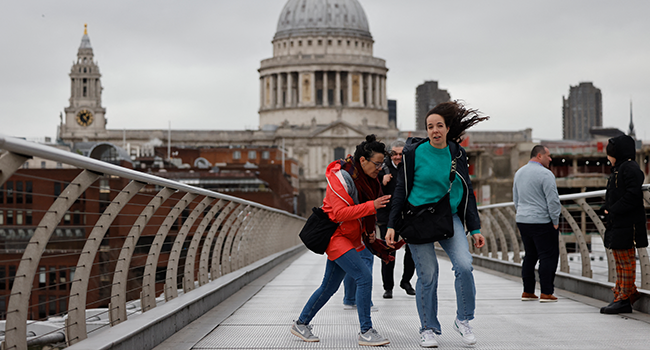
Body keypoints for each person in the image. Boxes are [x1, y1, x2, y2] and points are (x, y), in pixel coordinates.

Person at [386, 101, 487, 348]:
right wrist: (391, 225)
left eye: (439, 126)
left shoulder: (457, 153)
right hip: (417, 218)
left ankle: (463, 320)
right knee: (428, 275)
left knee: (464, 266)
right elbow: (401, 189)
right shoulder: (413, 153)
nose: (434, 130)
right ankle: (428, 328)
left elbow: (467, 190)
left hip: (448, 217)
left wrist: (475, 229)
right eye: (430, 126)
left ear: (447, 128)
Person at [291, 134, 391, 346]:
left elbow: (362, 212)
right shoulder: (341, 179)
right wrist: (372, 206)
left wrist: (368, 231)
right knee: (363, 277)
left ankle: (301, 323)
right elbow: (339, 214)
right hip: (336, 235)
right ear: (363, 160)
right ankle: (366, 330)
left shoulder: (368, 181)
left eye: (382, 164)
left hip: (351, 236)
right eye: (377, 163)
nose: (380, 168)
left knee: (329, 286)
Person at [600, 135, 648, 314]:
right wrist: (607, 207)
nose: (608, 158)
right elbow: (615, 194)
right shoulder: (619, 169)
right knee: (619, 259)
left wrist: (613, 209)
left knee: (626, 260)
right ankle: (624, 292)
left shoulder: (630, 168)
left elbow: (632, 195)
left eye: (610, 154)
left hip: (628, 223)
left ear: (618, 153)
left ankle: (625, 297)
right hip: (618, 222)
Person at [512, 145, 562, 303]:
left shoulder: (519, 173)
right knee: (548, 256)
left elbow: (516, 198)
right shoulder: (546, 174)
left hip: (523, 219)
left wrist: (522, 213)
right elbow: (553, 200)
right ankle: (546, 292)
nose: (550, 158)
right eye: (548, 155)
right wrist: (555, 221)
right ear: (539, 156)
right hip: (541, 220)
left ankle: (528, 291)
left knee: (530, 255)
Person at [377, 139, 416, 298]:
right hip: (387, 217)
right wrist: (382, 181)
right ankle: (388, 287)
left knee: (413, 250)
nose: (398, 157)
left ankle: (406, 281)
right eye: (394, 154)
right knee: (388, 251)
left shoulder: (411, 167)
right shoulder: (381, 168)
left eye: (401, 154)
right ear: (389, 154)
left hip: (407, 215)